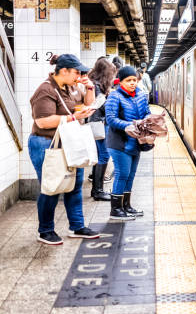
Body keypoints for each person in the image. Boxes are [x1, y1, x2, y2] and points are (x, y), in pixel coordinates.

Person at [28, 54, 100, 245]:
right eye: (76, 72)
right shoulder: (46, 90)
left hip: (68, 142)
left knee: (75, 185)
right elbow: (42, 121)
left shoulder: (70, 88)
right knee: (51, 187)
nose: (79, 75)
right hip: (45, 143)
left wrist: (90, 87)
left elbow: (87, 103)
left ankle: (77, 226)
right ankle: (45, 230)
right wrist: (74, 117)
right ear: (64, 71)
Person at [106, 66, 151, 220]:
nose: (132, 83)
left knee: (130, 175)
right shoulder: (114, 96)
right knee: (122, 174)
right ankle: (116, 210)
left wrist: (150, 121)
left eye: (134, 80)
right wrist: (128, 125)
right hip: (119, 142)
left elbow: (146, 112)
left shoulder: (140, 95)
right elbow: (110, 119)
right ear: (121, 82)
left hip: (136, 142)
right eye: (128, 80)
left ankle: (126, 206)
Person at [87, 57, 115, 201]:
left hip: (98, 123)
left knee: (100, 156)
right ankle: (98, 191)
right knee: (103, 155)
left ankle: (96, 190)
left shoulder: (94, 83)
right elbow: (99, 106)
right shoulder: (96, 86)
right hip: (98, 124)